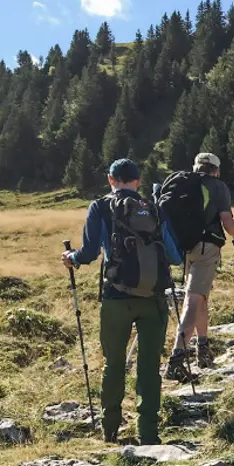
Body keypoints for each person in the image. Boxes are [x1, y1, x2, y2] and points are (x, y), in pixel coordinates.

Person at [61, 159, 182, 444]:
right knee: (149, 366)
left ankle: (110, 430)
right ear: (138, 182)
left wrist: (72, 259)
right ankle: (149, 433)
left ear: (110, 179)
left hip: (116, 297)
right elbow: (175, 256)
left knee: (113, 363)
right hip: (153, 298)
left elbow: (90, 252)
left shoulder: (100, 207)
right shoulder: (153, 208)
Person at [164, 153, 234, 381]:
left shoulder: (185, 184)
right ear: (216, 171)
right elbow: (226, 221)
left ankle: (203, 347)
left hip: (186, 247)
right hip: (207, 247)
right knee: (194, 298)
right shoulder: (218, 186)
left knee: (201, 297)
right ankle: (177, 357)